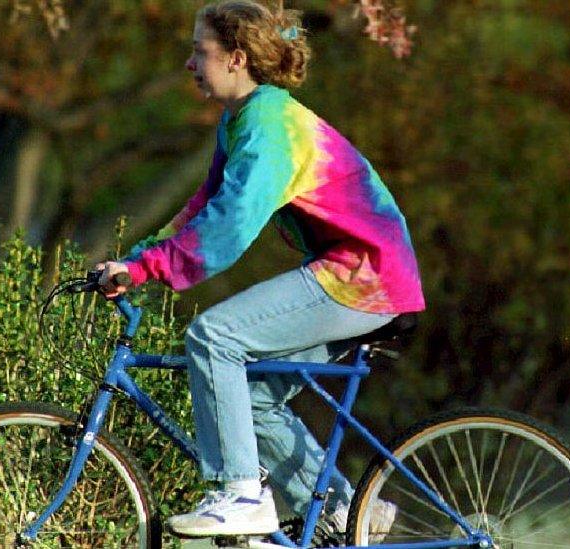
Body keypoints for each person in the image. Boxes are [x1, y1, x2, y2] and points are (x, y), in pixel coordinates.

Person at [96, 0, 424, 539]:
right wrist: (135, 263)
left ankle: (241, 493)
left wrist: (148, 269)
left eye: (199, 52)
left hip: (363, 278)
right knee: (251, 397)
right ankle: (348, 513)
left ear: (237, 59)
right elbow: (202, 208)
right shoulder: (243, 119)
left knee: (213, 336)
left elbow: (226, 231)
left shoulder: (272, 129)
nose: (189, 64)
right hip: (359, 274)